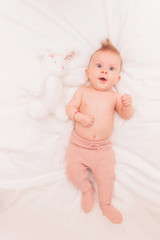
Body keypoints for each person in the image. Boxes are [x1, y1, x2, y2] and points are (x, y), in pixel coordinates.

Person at [65, 39, 134, 224]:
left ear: (117, 78)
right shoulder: (83, 91)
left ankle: (106, 204)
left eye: (111, 69)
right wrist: (79, 116)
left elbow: (126, 115)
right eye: (99, 66)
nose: (104, 71)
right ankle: (87, 190)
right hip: (78, 146)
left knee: (106, 179)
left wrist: (127, 105)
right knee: (72, 172)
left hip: (103, 150)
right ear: (88, 73)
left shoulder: (114, 96)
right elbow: (69, 109)